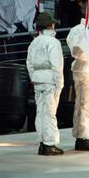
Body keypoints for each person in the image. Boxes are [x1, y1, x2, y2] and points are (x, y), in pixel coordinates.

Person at [26, 12, 64, 156]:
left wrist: (33, 77)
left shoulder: (34, 42)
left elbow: (29, 63)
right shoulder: (53, 42)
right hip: (49, 79)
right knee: (50, 112)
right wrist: (59, 83)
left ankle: (42, 142)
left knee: (40, 111)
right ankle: (49, 144)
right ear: (51, 26)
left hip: (37, 79)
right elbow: (57, 65)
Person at [66, 17, 89, 151]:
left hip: (78, 69)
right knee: (88, 105)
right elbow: (84, 51)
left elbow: (73, 47)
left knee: (80, 104)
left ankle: (80, 136)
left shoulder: (75, 29)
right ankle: (83, 138)